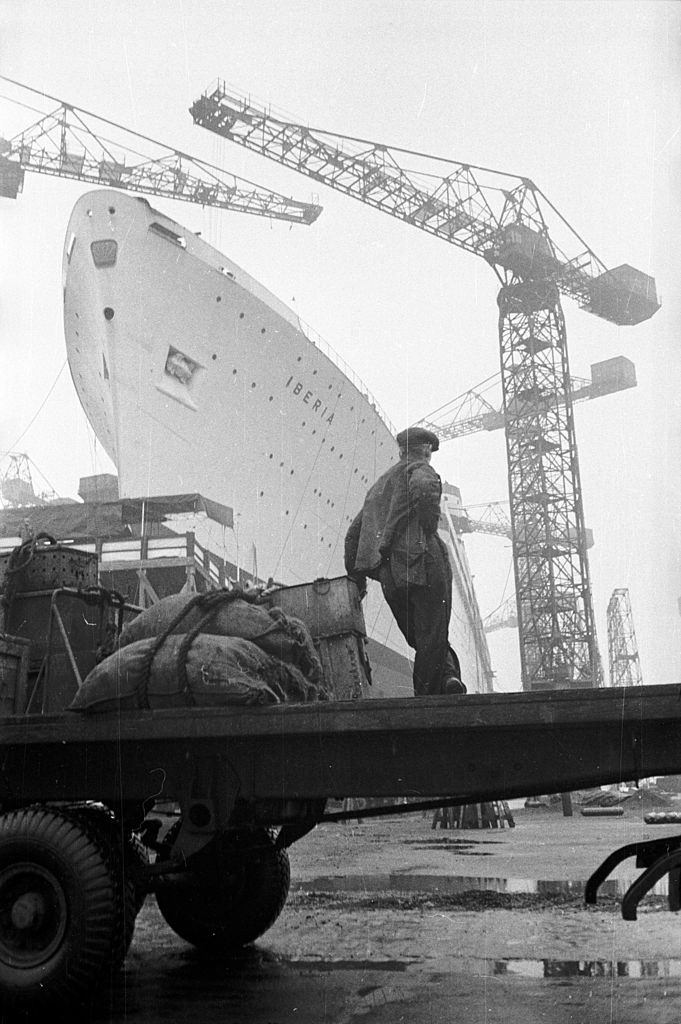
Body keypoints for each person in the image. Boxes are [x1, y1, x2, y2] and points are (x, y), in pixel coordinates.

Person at [344, 426, 466, 696]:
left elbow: (353, 535)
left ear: (400, 450)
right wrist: (428, 523)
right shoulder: (419, 468)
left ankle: (447, 678)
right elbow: (424, 487)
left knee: (420, 637)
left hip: (392, 576)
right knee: (432, 634)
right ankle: (427, 701)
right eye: (429, 452)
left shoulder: (378, 487)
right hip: (424, 562)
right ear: (424, 450)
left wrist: (357, 578)